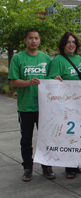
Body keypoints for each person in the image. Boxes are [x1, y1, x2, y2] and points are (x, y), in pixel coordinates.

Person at [8, 29, 56, 181]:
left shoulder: (46, 58)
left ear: (39, 41)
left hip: (44, 107)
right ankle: (27, 168)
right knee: (26, 140)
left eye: (36, 38)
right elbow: (14, 81)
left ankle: (46, 167)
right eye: (30, 38)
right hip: (26, 107)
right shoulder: (18, 58)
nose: (33, 41)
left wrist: (57, 79)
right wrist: (29, 82)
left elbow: (50, 79)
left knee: (46, 139)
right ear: (25, 41)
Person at [48, 31, 81, 179]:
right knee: (68, 134)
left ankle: (77, 163)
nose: (71, 44)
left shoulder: (79, 58)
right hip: (65, 104)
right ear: (63, 45)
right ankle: (69, 166)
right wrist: (55, 78)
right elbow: (51, 79)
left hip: (80, 102)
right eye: (68, 42)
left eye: (73, 42)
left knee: (78, 134)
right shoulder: (58, 60)